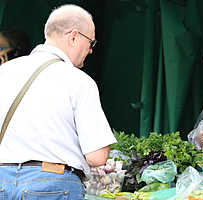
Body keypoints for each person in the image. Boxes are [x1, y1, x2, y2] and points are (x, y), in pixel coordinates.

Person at [0, 4, 117, 200]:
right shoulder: (79, 81)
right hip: (53, 186)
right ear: (73, 36)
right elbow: (97, 157)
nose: (90, 51)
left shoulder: (4, 73)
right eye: (91, 42)